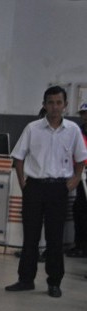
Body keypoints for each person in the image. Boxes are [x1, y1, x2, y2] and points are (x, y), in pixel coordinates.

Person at [5, 85, 87, 298]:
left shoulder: (73, 131)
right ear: (44, 105)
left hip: (59, 188)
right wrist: (23, 183)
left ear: (65, 106)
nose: (55, 107)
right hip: (34, 187)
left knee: (55, 237)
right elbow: (19, 158)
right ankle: (25, 279)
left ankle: (54, 282)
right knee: (30, 236)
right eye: (50, 102)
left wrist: (75, 179)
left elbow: (81, 159)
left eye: (59, 102)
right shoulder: (32, 128)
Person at [66, 102, 87, 258]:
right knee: (79, 209)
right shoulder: (78, 131)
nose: (85, 116)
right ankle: (79, 245)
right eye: (83, 113)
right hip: (82, 176)